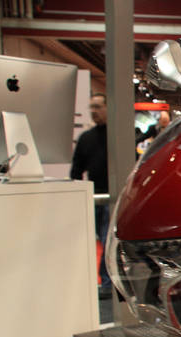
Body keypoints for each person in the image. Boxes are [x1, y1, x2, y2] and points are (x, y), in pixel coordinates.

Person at [71, 93, 111, 298]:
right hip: (95, 198)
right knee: (100, 241)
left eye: (97, 107)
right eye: (91, 107)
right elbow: (76, 170)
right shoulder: (86, 138)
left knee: (106, 240)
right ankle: (106, 281)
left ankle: (107, 282)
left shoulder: (119, 135)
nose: (94, 111)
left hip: (113, 198)